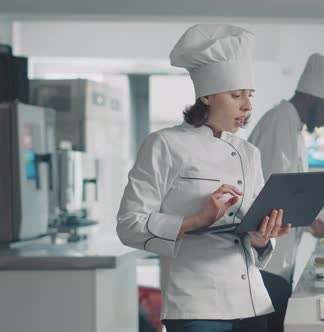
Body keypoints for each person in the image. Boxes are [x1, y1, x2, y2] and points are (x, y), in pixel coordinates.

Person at [116, 24, 291, 332]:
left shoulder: (249, 153)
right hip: (196, 307)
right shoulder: (165, 145)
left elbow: (251, 235)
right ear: (207, 96)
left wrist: (262, 238)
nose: (248, 106)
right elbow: (129, 225)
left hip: (250, 302)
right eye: (236, 95)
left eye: (249, 95)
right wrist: (196, 220)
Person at [248, 52, 324, 332]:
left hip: (278, 263)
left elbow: (297, 191)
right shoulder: (279, 122)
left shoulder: (293, 128)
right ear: (313, 99)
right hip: (265, 265)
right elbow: (276, 196)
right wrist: (317, 223)